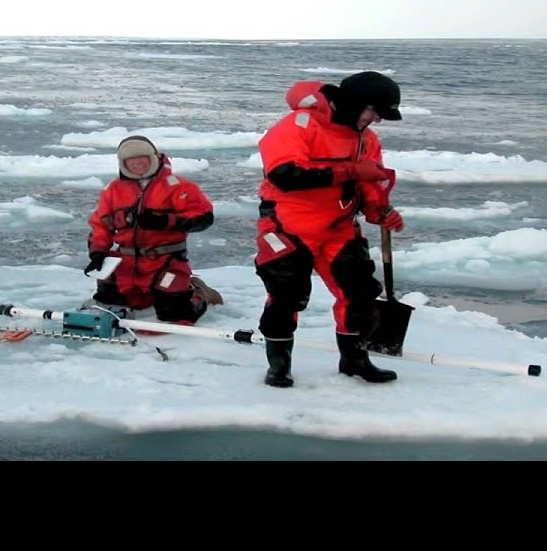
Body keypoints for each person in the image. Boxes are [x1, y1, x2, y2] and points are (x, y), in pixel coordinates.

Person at [254, 71, 406, 388]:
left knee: (359, 294)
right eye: (374, 112)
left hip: (339, 228)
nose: (376, 120)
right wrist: (350, 170)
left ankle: (354, 360)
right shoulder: (298, 125)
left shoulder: (367, 139)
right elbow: (284, 174)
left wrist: (381, 211)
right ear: (354, 104)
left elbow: (370, 185)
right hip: (288, 225)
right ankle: (279, 365)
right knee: (286, 297)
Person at [84, 135, 222, 324]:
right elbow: (100, 225)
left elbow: (203, 218)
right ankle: (148, 293)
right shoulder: (113, 190)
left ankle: (200, 293)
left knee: (175, 315)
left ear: (154, 157)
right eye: (130, 159)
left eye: (142, 157)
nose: (137, 163)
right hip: (125, 263)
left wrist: (167, 221)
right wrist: (98, 253)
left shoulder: (179, 186)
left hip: (166, 262)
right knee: (111, 308)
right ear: (123, 163)